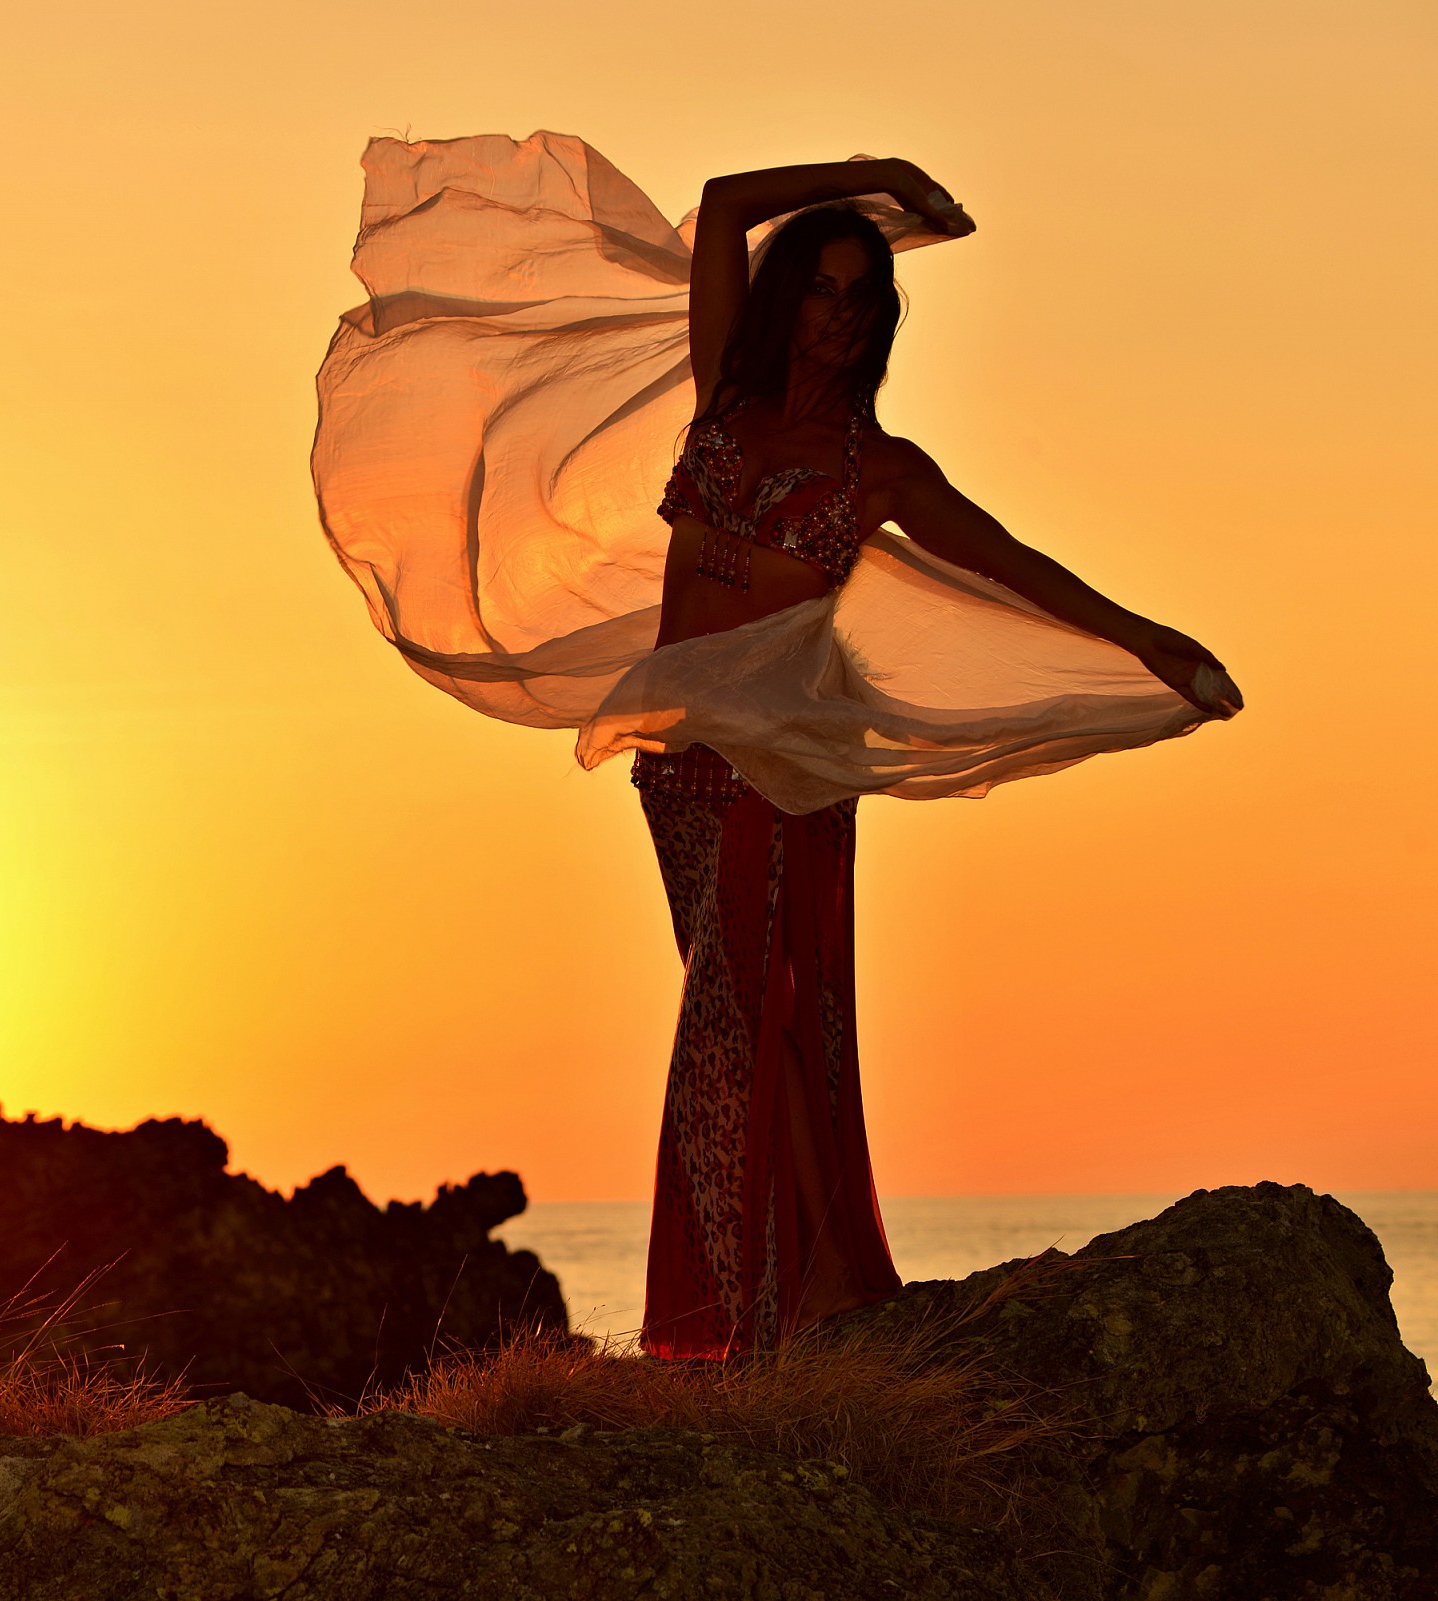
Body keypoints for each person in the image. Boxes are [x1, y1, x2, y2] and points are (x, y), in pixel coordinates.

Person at [310, 135, 1241, 1358]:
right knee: (752, 1014)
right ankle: (806, 1291)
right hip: (677, 763)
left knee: (747, 1015)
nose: (837, 315)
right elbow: (721, 209)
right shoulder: (724, 407)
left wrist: (1152, 642)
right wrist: (877, 175)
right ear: (786, 296)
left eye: (861, 297)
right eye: (819, 287)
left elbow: (1014, 563)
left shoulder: (880, 470)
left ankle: (793, 1298)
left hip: (786, 765)